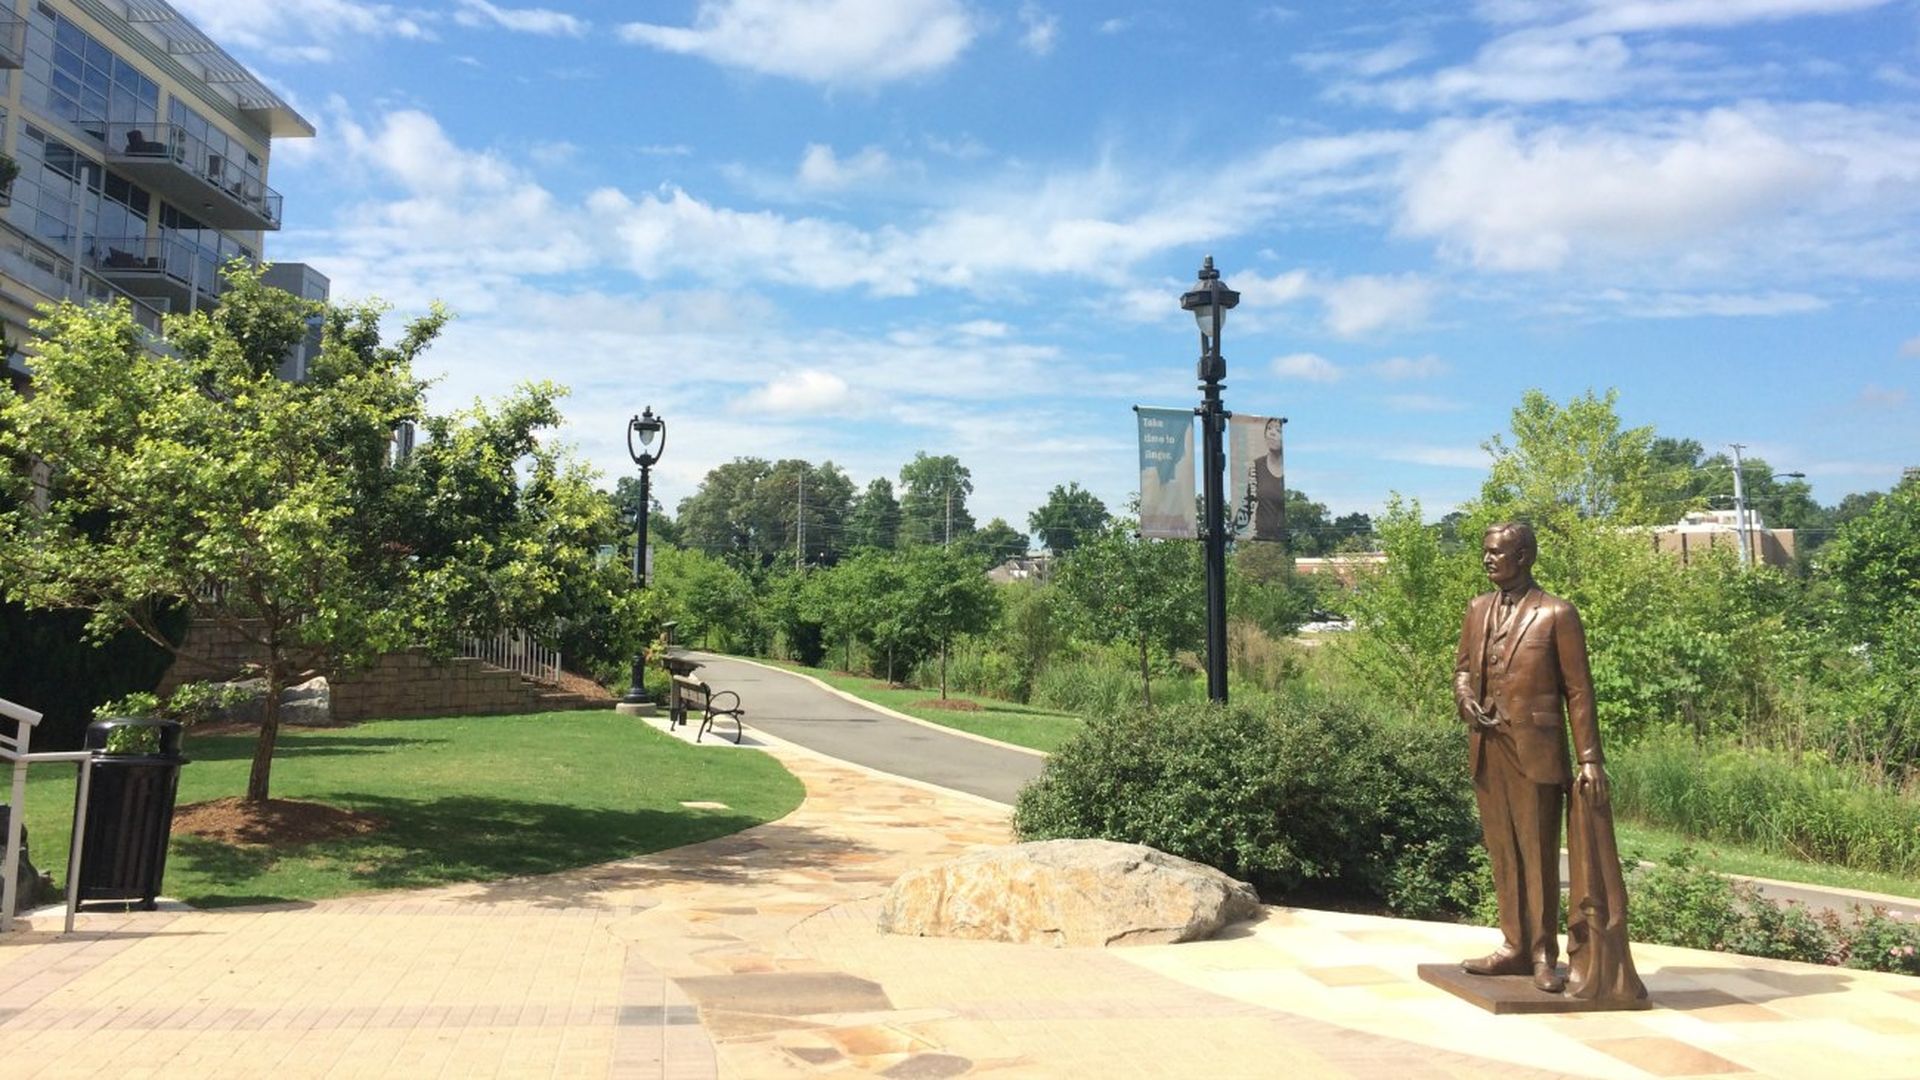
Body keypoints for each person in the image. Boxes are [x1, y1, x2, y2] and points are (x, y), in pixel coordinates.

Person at [1452, 522, 1642, 1003]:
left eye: (1497, 552)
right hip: (1487, 747)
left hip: (1535, 751)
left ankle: (1542, 955)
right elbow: (1460, 669)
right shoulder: (1477, 609)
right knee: (1503, 853)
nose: (1488, 559)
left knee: (1537, 854)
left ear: (1524, 556)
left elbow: (1579, 691)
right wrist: (1465, 698)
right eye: (1485, 552)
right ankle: (1514, 945)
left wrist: (1590, 758)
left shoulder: (1557, 613)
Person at [1246, 416, 1284, 541]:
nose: (1272, 433)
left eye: (1278, 431)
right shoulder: (1256, 465)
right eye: (1269, 428)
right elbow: (1247, 503)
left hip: (1282, 540)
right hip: (1259, 539)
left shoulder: (1287, 470)